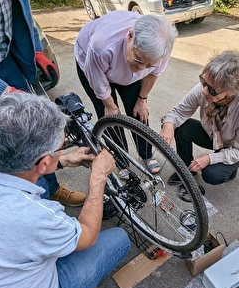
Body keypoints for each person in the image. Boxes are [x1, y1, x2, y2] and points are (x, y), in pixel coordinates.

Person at [0, 92, 130, 288]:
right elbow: (87, 234)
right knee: (119, 239)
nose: (64, 150)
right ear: (42, 163)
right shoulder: (34, 216)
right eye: (61, 147)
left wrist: (61, 160)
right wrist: (98, 178)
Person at [0, 0, 85, 206]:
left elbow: (22, 6)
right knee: (0, 144)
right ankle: (26, 206)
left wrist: (36, 49)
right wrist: (2, 91)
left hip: (8, 58)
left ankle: (50, 188)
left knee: (36, 132)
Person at [75, 10, 178, 175]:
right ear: (130, 37)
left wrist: (142, 99)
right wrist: (109, 104)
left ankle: (146, 155)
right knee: (111, 118)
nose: (141, 69)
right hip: (94, 66)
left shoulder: (162, 49)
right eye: (138, 59)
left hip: (121, 61)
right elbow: (97, 81)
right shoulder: (102, 45)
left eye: (149, 64)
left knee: (139, 112)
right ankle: (122, 160)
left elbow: (153, 73)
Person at [160, 50, 239, 185]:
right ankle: (186, 169)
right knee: (180, 126)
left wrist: (209, 159)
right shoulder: (205, 88)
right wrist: (168, 125)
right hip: (211, 135)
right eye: (203, 82)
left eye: (212, 89)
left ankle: (230, 169)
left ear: (230, 91)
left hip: (232, 146)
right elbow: (178, 112)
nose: (204, 90)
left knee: (212, 174)